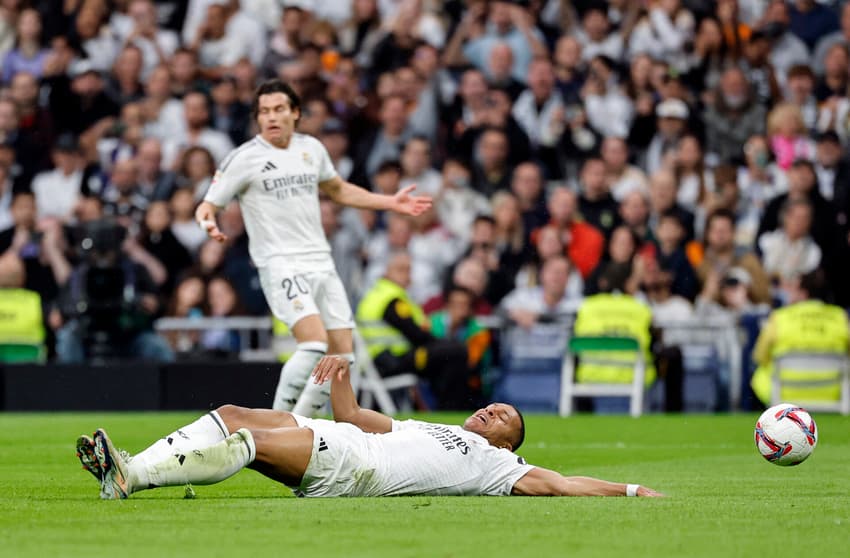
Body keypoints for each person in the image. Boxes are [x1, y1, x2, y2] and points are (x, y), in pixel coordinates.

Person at [75, 353, 662, 499]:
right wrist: (341, 375)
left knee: (248, 444)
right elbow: (353, 415)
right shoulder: (427, 426)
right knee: (232, 414)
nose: (491, 410)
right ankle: (131, 465)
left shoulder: (499, 466)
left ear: (509, 440)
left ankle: (132, 476)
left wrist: (630, 490)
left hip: (353, 468)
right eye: (492, 405)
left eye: (503, 417)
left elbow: (560, 484)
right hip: (349, 438)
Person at [195, 79, 431, 416]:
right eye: (264, 112)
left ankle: (299, 427)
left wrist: (389, 202)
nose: (271, 117)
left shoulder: (311, 149)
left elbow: (338, 190)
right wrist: (208, 223)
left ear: (295, 113)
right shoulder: (244, 158)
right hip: (281, 262)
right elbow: (208, 205)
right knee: (314, 344)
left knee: (342, 357)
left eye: (278, 109)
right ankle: (277, 426)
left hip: (321, 262)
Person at [750, 269, 850, 408]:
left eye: (793, 288)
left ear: (803, 293)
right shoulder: (840, 317)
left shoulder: (779, 317)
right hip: (832, 390)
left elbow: (759, 356)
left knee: (758, 371)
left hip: (785, 391)